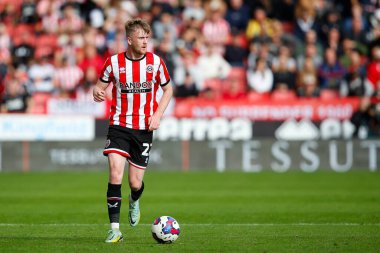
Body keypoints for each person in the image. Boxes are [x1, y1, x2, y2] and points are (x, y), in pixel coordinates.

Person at [93, 19, 173, 243]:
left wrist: (157, 115)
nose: (146, 41)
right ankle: (114, 229)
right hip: (119, 125)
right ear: (129, 40)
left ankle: (134, 199)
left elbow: (168, 90)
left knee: (135, 183)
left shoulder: (156, 62)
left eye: (147, 37)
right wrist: (96, 92)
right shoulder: (114, 63)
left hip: (143, 129)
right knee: (115, 172)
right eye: (141, 38)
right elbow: (99, 87)